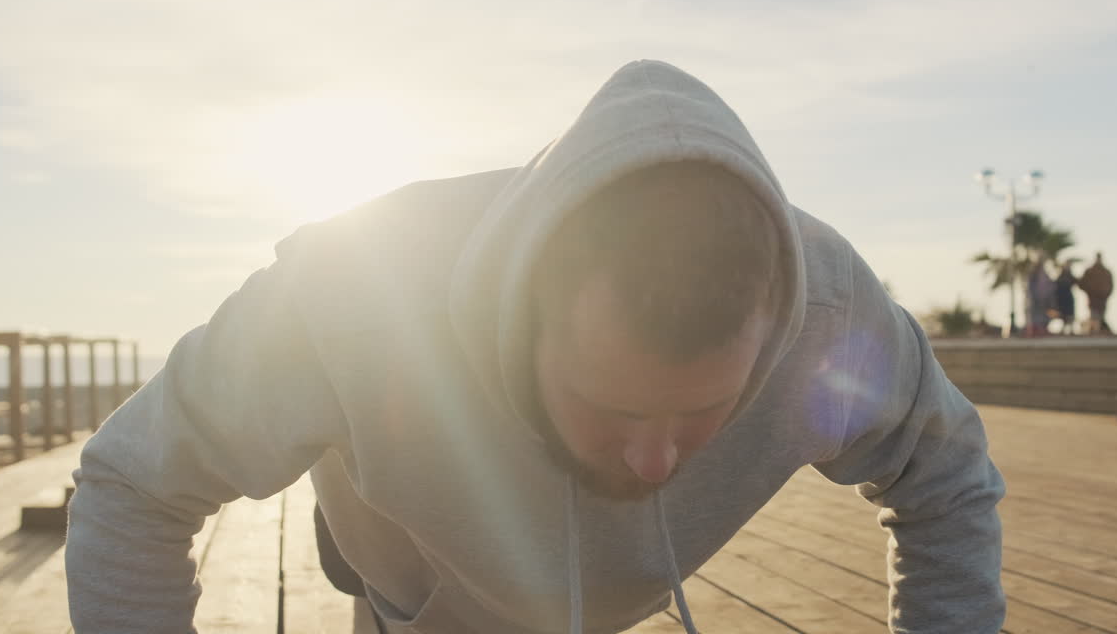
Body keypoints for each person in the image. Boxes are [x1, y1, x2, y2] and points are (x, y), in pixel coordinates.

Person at [65, 60, 1006, 634]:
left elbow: (948, 479)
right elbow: (131, 484)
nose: (656, 457)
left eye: (704, 412)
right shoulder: (352, 295)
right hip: (406, 547)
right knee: (377, 564)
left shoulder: (833, 315)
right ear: (522, 318)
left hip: (604, 583)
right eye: (615, 405)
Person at [1078, 252, 1115, 334]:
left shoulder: (1106, 272)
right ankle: (1094, 332)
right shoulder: (1090, 271)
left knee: (1099, 317)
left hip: (1102, 301)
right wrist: (1090, 291)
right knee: (1095, 317)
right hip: (1093, 300)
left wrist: (1105, 294)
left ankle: (1096, 332)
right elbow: (1081, 284)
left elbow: (1110, 286)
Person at [1025, 256, 1055, 337]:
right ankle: (1036, 330)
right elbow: (1030, 289)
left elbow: (1050, 286)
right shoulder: (1033, 275)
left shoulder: (1045, 275)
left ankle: (1042, 330)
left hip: (1044, 301)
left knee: (1043, 317)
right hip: (1036, 301)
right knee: (1036, 317)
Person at [1053, 261, 1077, 335]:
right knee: (1064, 314)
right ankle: (1064, 329)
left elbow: (1075, 281)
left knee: (1070, 315)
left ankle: (1071, 329)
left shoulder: (1069, 275)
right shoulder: (1061, 276)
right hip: (1062, 297)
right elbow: (1057, 285)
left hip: (1068, 297)